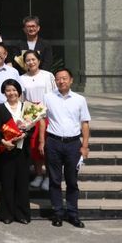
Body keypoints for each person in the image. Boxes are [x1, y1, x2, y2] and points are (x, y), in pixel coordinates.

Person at [42, 68, 91, 228]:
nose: (61, 81)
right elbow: (41, 119)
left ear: (71, 80)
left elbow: (85, 123)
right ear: (55, 81)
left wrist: (85, 145)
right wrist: (42, 141)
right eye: (58, 78)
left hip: (73, 144)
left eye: (64, 78)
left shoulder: (79, 99)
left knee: (72, 181)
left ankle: (73, 214)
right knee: (54, 180)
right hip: (53, 142)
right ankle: (57, 213)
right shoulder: (47, 97)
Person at [0, 78, 33, 225]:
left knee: (22, 183)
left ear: (19, 91)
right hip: (7, 149)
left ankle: (22, 214)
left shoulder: (26, 107)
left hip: (23, 150)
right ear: (4, 92)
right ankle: (7, 214)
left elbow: (32, 127)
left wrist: (25, 134)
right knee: (7, 182)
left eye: (14, 90)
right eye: (8, 90)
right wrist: (3, 142)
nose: (11, 93)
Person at [19, 50, 56, 190]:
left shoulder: (48, 75)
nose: (31, 62)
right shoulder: (22, 78)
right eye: (28, 60)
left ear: (39, 61)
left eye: (33, 59)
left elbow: (54, 94)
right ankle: (39, 174)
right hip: (30, 114)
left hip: (47, 113)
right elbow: (21, 98)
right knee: (34, 146)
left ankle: (48, 176)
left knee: (46, 145)